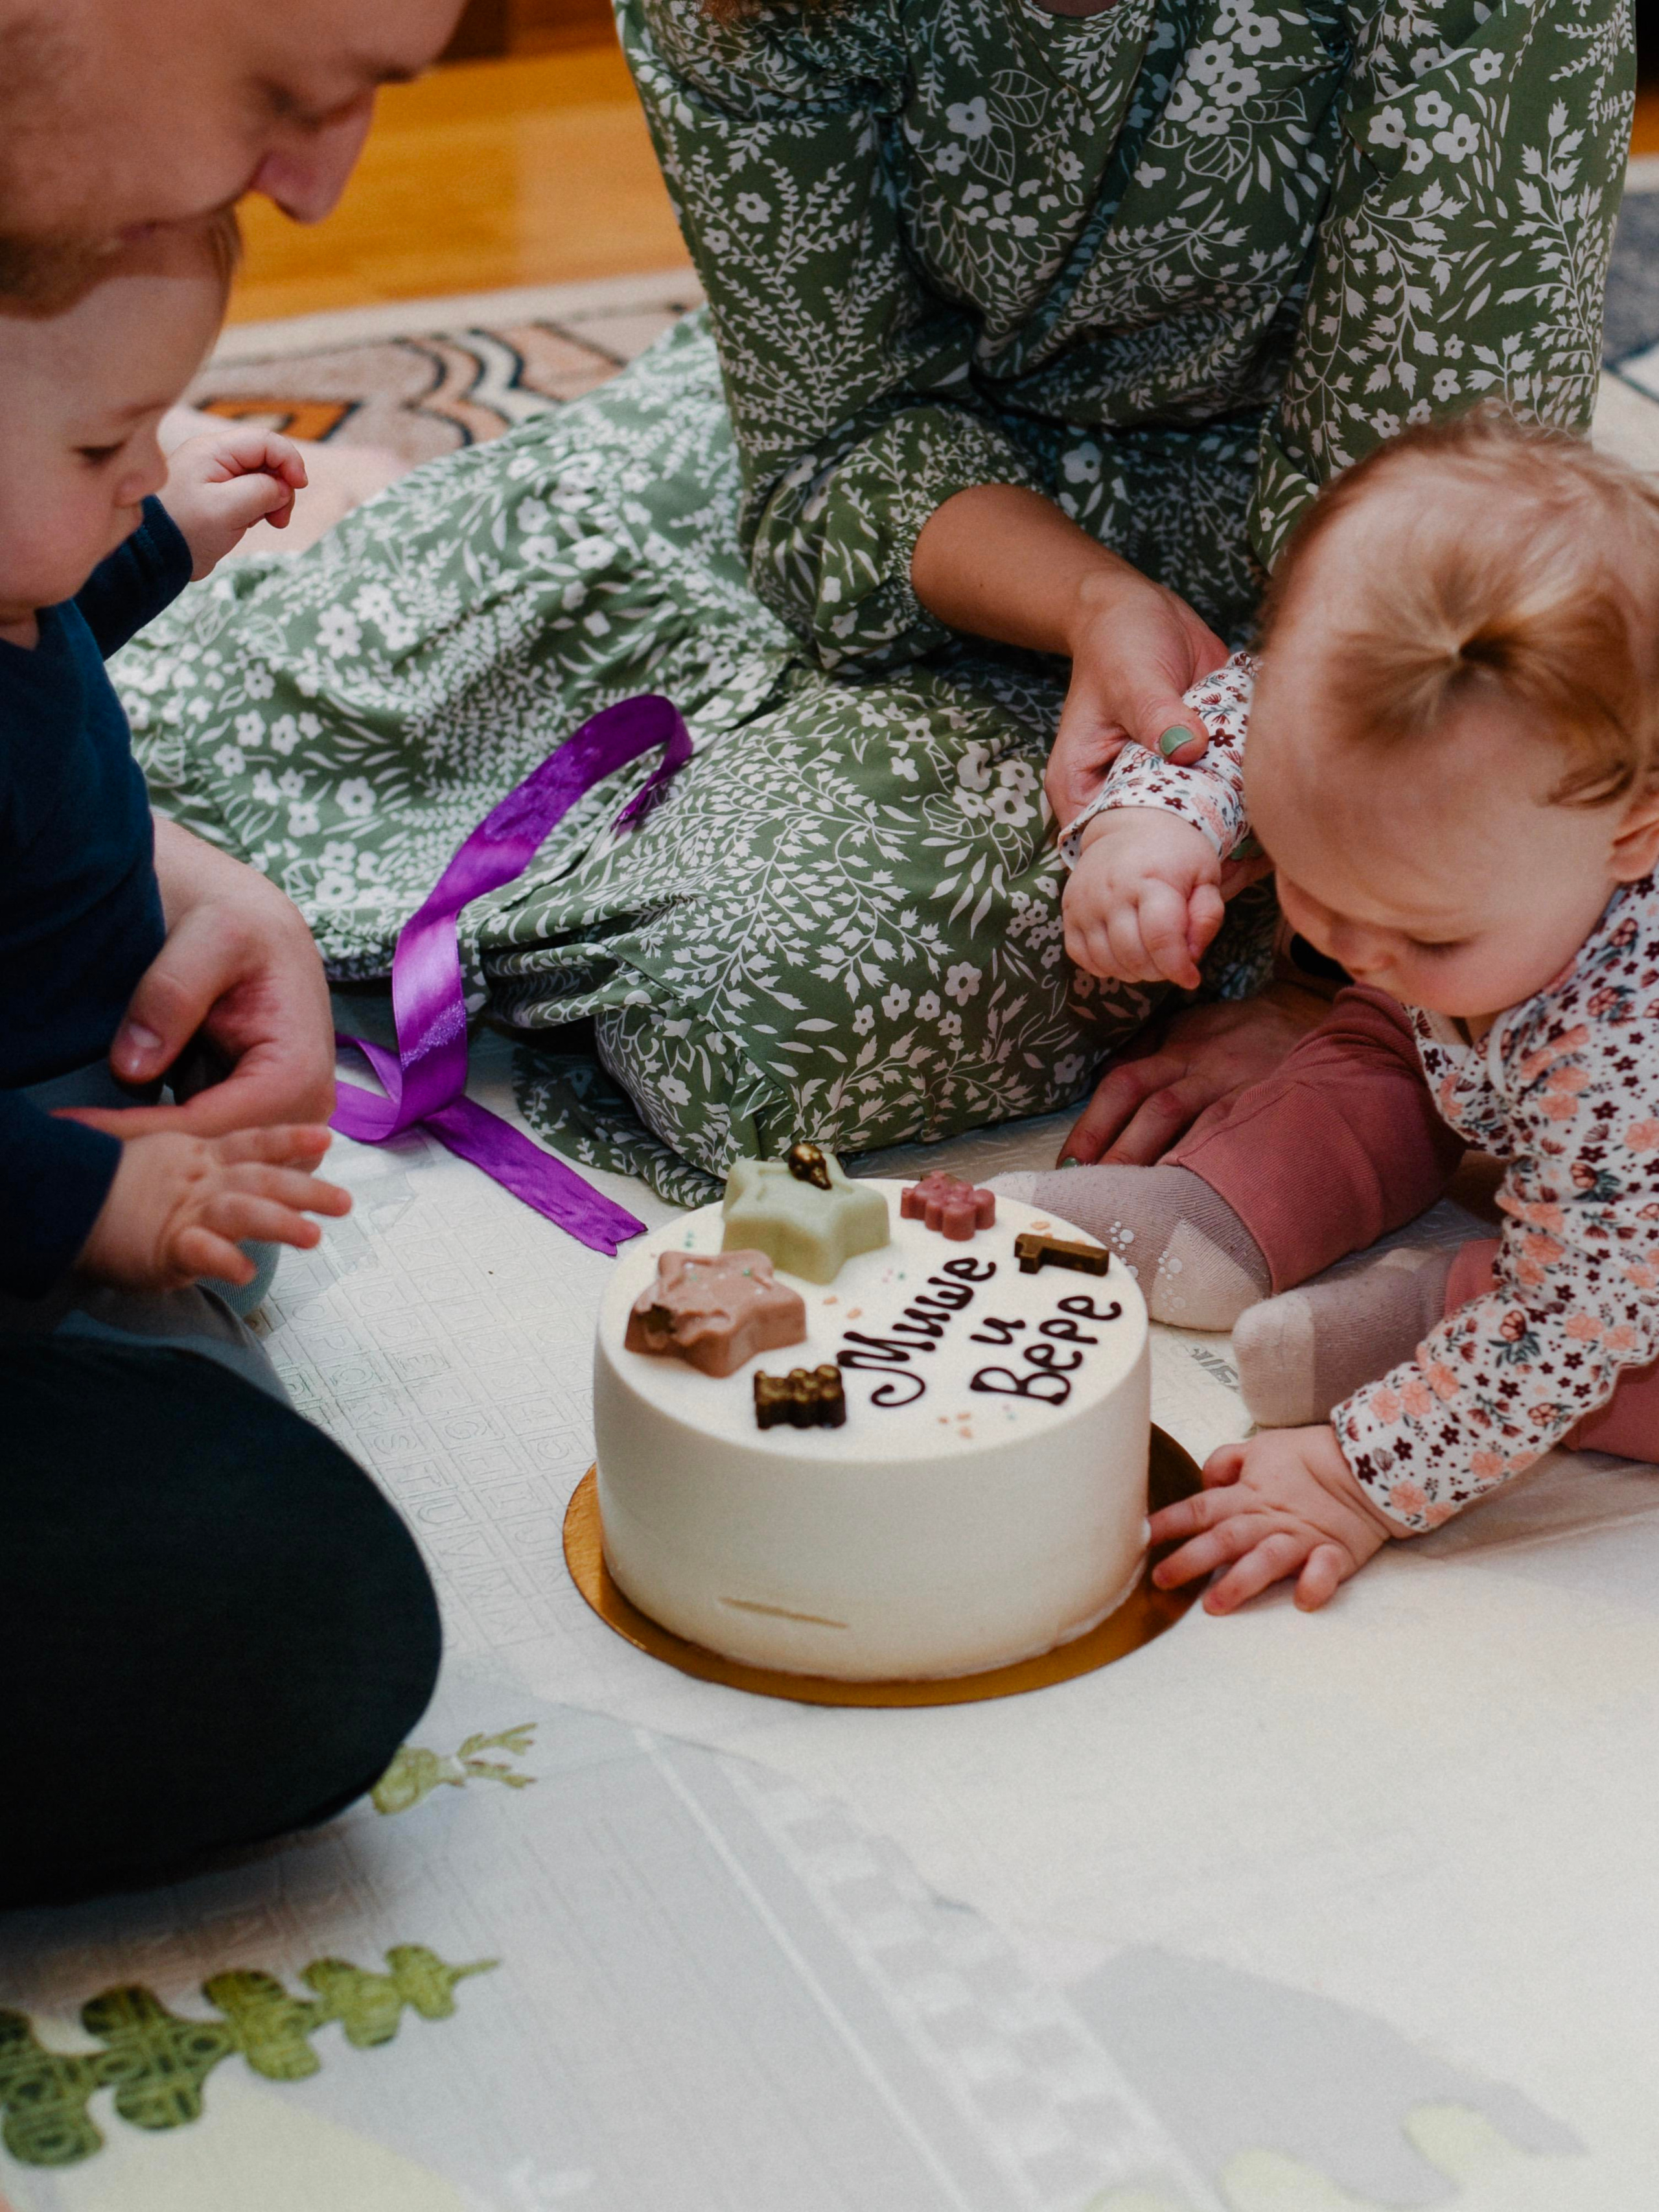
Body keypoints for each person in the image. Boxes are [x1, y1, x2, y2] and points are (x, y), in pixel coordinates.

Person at [110, 0, 1632, 1201]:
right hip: (909, 513)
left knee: (753, 1010)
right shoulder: (745, 6)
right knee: (176, 741)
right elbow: (827, 433)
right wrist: (1089, 599)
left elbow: (1418, 525)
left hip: (1331, 611)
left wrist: (1342, 976)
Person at [1054, 411, 1659, 1613]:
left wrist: (1360, 1474)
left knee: (1598, 1323)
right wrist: (1152, 825)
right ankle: (1226, 1210)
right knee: (1387, 1026)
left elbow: (1578, 1316)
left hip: (1617, 1236)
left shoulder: (1621, 1056)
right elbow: (1234, 712)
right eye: (1309, 870)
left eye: (1425, 929)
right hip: (1509, 1076)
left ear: (1635, 835)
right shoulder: (1429, 775)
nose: (1341, 940)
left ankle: (1439, 1310)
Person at [0, 213, 355, 1388]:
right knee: (200, 1419)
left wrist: (169, 535)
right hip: (34, 1144)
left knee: (244, 1228)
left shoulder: (20, 581)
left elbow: (69, 626)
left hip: (99, 1038)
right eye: (107, 449)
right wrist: (93, 1201)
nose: (149, 468)